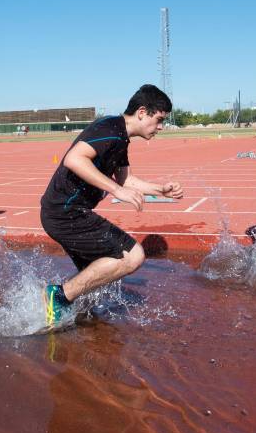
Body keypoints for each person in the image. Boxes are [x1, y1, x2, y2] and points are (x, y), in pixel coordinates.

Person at [40, 84, 184, 326]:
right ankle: (59, 296)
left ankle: (63, 319)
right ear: (142, 112)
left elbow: (126, 179)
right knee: (133, 256)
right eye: (159, 120)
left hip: (68, 213)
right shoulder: (109, 129)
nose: (160, 127)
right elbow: (74, 159)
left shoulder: (121, 137)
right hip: (65, 213)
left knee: (95, 281)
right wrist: (117, 191)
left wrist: (160, 190)